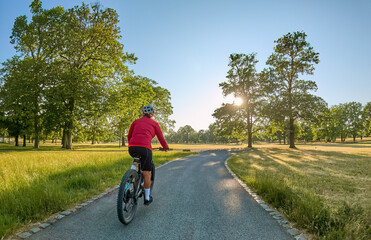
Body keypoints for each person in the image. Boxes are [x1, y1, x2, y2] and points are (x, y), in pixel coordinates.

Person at [127, 105, 169, 205]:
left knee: (136, 159)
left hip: (132, 147)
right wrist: (165, 147)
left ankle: (129, 177)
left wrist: (132, 144)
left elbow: (129, 135)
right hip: (145, 148)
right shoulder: (155, 123)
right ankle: (146, 198)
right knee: (147, 173)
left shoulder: (136, 121)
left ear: (143, 113)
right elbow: (160, 137)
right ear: (152, 114)